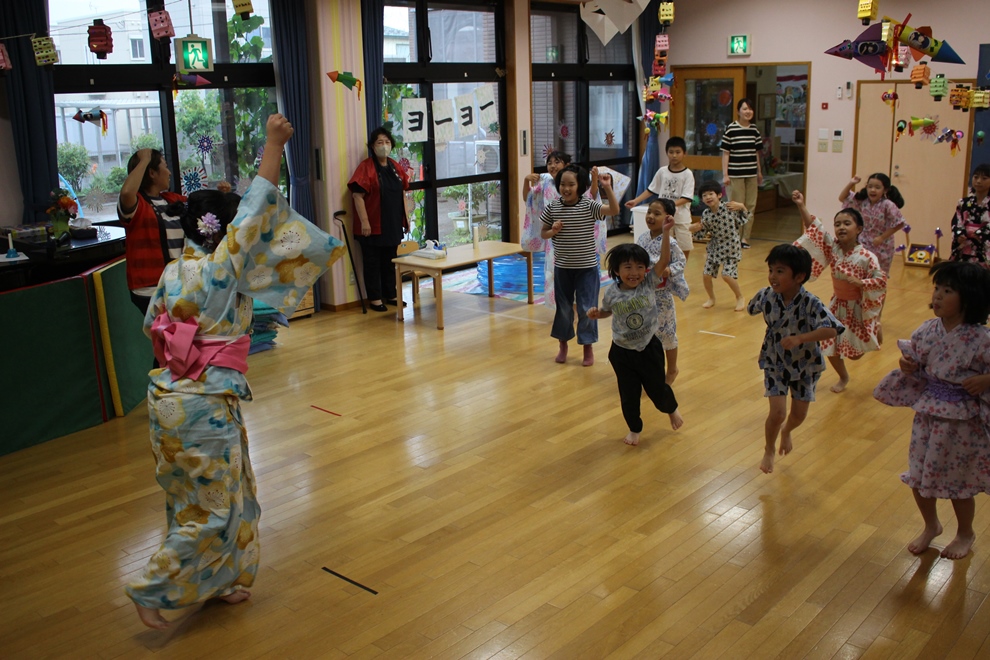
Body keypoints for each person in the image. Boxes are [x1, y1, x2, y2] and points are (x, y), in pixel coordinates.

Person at [126, 114, 345, 630]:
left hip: (171, 399)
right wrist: (273, 144)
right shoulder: (221, 269)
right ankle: (153, 587)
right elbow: (255, 206)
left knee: (203, 496)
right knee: (218, 506)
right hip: (203, 405)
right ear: (224, 234)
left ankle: (219, 579)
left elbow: (152, 328)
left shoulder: (174, 271)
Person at [874, 261, 990, 559]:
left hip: (961, 423)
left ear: (970, 298)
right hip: (928, 416)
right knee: (919, 475)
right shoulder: (927, 330)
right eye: (937, 288)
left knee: (958, 483)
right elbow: (917, 364)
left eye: (947, 291)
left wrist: (986, 379)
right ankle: (931, 525)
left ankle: (965, 532)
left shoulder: (982, 339)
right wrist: (907, 365)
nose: (937, 295)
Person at [748, 244, 843, 474]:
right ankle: (769, 449)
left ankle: (787, 431)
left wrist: (801, 338)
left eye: (780, 271)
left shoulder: (811, 302)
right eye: (771, 270)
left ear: (799, 277)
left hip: (805, 364)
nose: (772, 276)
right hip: (775, 361)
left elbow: (832, 329)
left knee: (799, 415)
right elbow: (752, 308)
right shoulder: (766, 295)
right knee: (778, 413)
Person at [588, 232, 684, 446]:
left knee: (657, 390)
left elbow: (664, 260)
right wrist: (597, 314)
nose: (634, 273)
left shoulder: (649, 283)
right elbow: (607, 311)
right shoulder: (612, 292)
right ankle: (634, 428)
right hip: (622, 352)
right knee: (629, 394)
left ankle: (671, 409)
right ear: (616, 270)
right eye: (628, 267)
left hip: (649, 348)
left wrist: (666, 232)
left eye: (640, 267)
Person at [793, 191, 887, 393]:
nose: (841, 227)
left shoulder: (867, 256)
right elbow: (814, 229)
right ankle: (843, 377)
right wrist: (801, 205)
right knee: (829, 343)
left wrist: (862, 282)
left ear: (859, 229)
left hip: (858, 308)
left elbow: (881, 281)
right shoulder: (833, 248)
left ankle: (875, 326)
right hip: (837, 305)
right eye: (837, 224)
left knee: (855, 354)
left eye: (847, 223)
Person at [541, 164, 618, 367]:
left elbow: (614, 210)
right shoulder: (553, 207)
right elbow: (544, 233)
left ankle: (587, 346)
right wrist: (553, 231)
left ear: (580, 185)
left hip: (587, 269)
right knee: (564, 308)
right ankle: (563, 344)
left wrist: (607, 187)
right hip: (563, 268)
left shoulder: (588, 205)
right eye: (562, 184)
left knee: (587, 308)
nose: (566, 188)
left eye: (571, 184)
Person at [522, 151, 604, 311]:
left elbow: (592, 196)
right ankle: (564, 310)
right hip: (555, 237)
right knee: (555, 273)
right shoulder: (545, 181)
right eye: (549, 163)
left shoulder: (577, 179)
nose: (552, 166)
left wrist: (595, 180)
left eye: (557, 162)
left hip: (578, 234)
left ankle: (579, 309)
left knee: (582, 273)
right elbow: (529, 199)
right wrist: (526, 181)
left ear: (567, 165)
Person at [118, 148, 187, 316]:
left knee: (178, 331)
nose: (169, 172)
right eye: (165, 166)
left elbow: (201, 207)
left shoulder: (171, 199)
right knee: (168, 331)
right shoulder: (138, 204)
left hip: (175, 283)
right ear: (152, 173)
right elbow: (126, 192)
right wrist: (145, 159)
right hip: (150, 287)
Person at [348, 126, 410, 312]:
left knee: (390, 261)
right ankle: (375, 298)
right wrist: (365, 222)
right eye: (380, 142)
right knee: (372, 262)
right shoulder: (365, 167)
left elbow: (403, 193)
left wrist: (406, 219)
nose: (384, 146)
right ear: (372, 146)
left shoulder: (395, 167)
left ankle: (391, 294)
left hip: (392, 223)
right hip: (372, 225)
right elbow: (357, 196)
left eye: (387, 142)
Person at [635, 198, 689, 383]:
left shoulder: (671, 242)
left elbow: (681, 261)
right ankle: (648, 370)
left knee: (667, 333)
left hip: (662, 295)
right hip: (643, 294)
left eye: (657, 214)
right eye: (649, 212)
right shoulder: (642, 238)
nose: (650, 216)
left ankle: (672, 368)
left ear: (668, 218)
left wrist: (669, 270)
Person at [626, 136, 696, 261]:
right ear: (666, 153)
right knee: (664, 243)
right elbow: (651, 190)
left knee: (684, 244)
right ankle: (665, 267)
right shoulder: (662, 171)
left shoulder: (688, 174)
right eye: (671, 152)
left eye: (678, 152)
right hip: (663, 218)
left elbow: (686, 197)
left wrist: (669, 205)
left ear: (684, 153)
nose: (674, 155)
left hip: (681, 217)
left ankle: (681, 268)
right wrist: (636, 201)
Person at [688, 180, 748, 311]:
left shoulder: (729, 207)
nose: (708, 197)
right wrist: (693, 229)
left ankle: (740, 297)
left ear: (719, 195)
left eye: (711, 194)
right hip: (715, 248)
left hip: (731, 248)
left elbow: (744, 218)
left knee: (727, 275)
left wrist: (742, 206)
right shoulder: (706, 214)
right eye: (704, 195)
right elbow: (702, 233)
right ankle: (711, 298)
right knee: (706, 275)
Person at [837, 172, 906, 275]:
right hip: (863, 242)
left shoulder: (888, 205)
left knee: (878, 275)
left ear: (885, 190)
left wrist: (882, 238)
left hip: (883, 246)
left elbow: (899, 223)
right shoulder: (862, 201)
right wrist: (851, 183)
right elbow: (842, 198)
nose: (873, 190)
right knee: (861, 272)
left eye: (877, 187)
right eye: (870, 187)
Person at [721, 98, 763, 249]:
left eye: (750, 109)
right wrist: (725, 174)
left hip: (751, 174)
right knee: (736, 206)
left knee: (750, 205)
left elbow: (756, 153)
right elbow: (726, 153)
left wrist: (759, 172)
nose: (748, 112)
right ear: (738, 111)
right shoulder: (731, 129)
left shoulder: (754, 130)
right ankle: (735, 238)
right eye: (745, 109)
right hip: (735, 174)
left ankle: (745, 238)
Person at [949, 162, 990, 267]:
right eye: (976, 177)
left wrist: (980, 233)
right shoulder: (963, 203)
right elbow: (957, 221)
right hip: (965, 246)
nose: (978, 181)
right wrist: (959, 234)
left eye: (984, 178)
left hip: (984, 248)